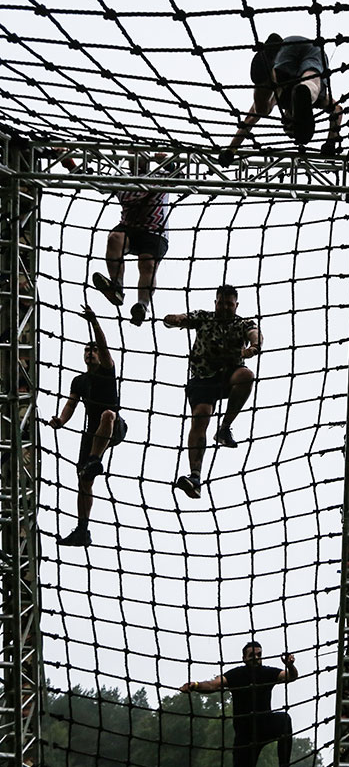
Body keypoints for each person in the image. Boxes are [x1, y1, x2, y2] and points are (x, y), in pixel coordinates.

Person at [163, 285, 261, 500]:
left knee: (246, 376)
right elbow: (180, 318)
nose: (225, 307)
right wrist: (174, 320)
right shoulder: (204, 317)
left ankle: (225, 428)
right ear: (215, 302)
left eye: (229, 304)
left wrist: (253, 347)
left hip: (229, 374)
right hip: (203, 379)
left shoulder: (241, 323)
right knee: (200, 418)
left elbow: (255, 333)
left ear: (236, 305)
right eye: (221, 302)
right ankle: (195, 477)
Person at [48, 305, 128, 547]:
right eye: (87, 351)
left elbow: (104, 347)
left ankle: (95, 459)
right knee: (83, 480)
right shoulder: (79, 381)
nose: (90, 354)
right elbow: (71, 405)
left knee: (107, 415)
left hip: (114, 425)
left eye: (93, 351)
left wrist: (94, 322)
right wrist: (60, 420)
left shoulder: (107, 369)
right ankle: (83, 530)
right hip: (92, 432)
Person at [220, 34, 343, 163]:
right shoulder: (289, 99)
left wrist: (231, 150)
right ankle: (298, 86)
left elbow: (250, 118)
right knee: (311, 78)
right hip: (310, 50)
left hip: (290, 49)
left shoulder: (280, 99)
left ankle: (268, 70)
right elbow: (337, 109)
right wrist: (331, 141)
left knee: (263, 109)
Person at [181, 641, 297, 767]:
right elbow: (212, 685)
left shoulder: (267, 672)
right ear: (244, 658)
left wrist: (290, 666)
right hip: (245, 734)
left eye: (259, 655)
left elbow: (291, 677)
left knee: (284, 719)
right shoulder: (236, 674)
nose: (256, 658)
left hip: (265, 725)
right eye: (252, 655)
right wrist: (195, 685)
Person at [88, 153, 171, 326]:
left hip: (156, 232)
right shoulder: (122, 180)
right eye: (133, 158)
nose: (137, 162)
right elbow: (93, 181)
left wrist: (165, 161)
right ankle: (116, 287)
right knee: (114, 239)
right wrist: (69, 162)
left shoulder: (161, 176)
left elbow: (181, 177)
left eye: (141, 158)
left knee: (147, 263)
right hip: (129, 229)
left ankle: (142, 305)